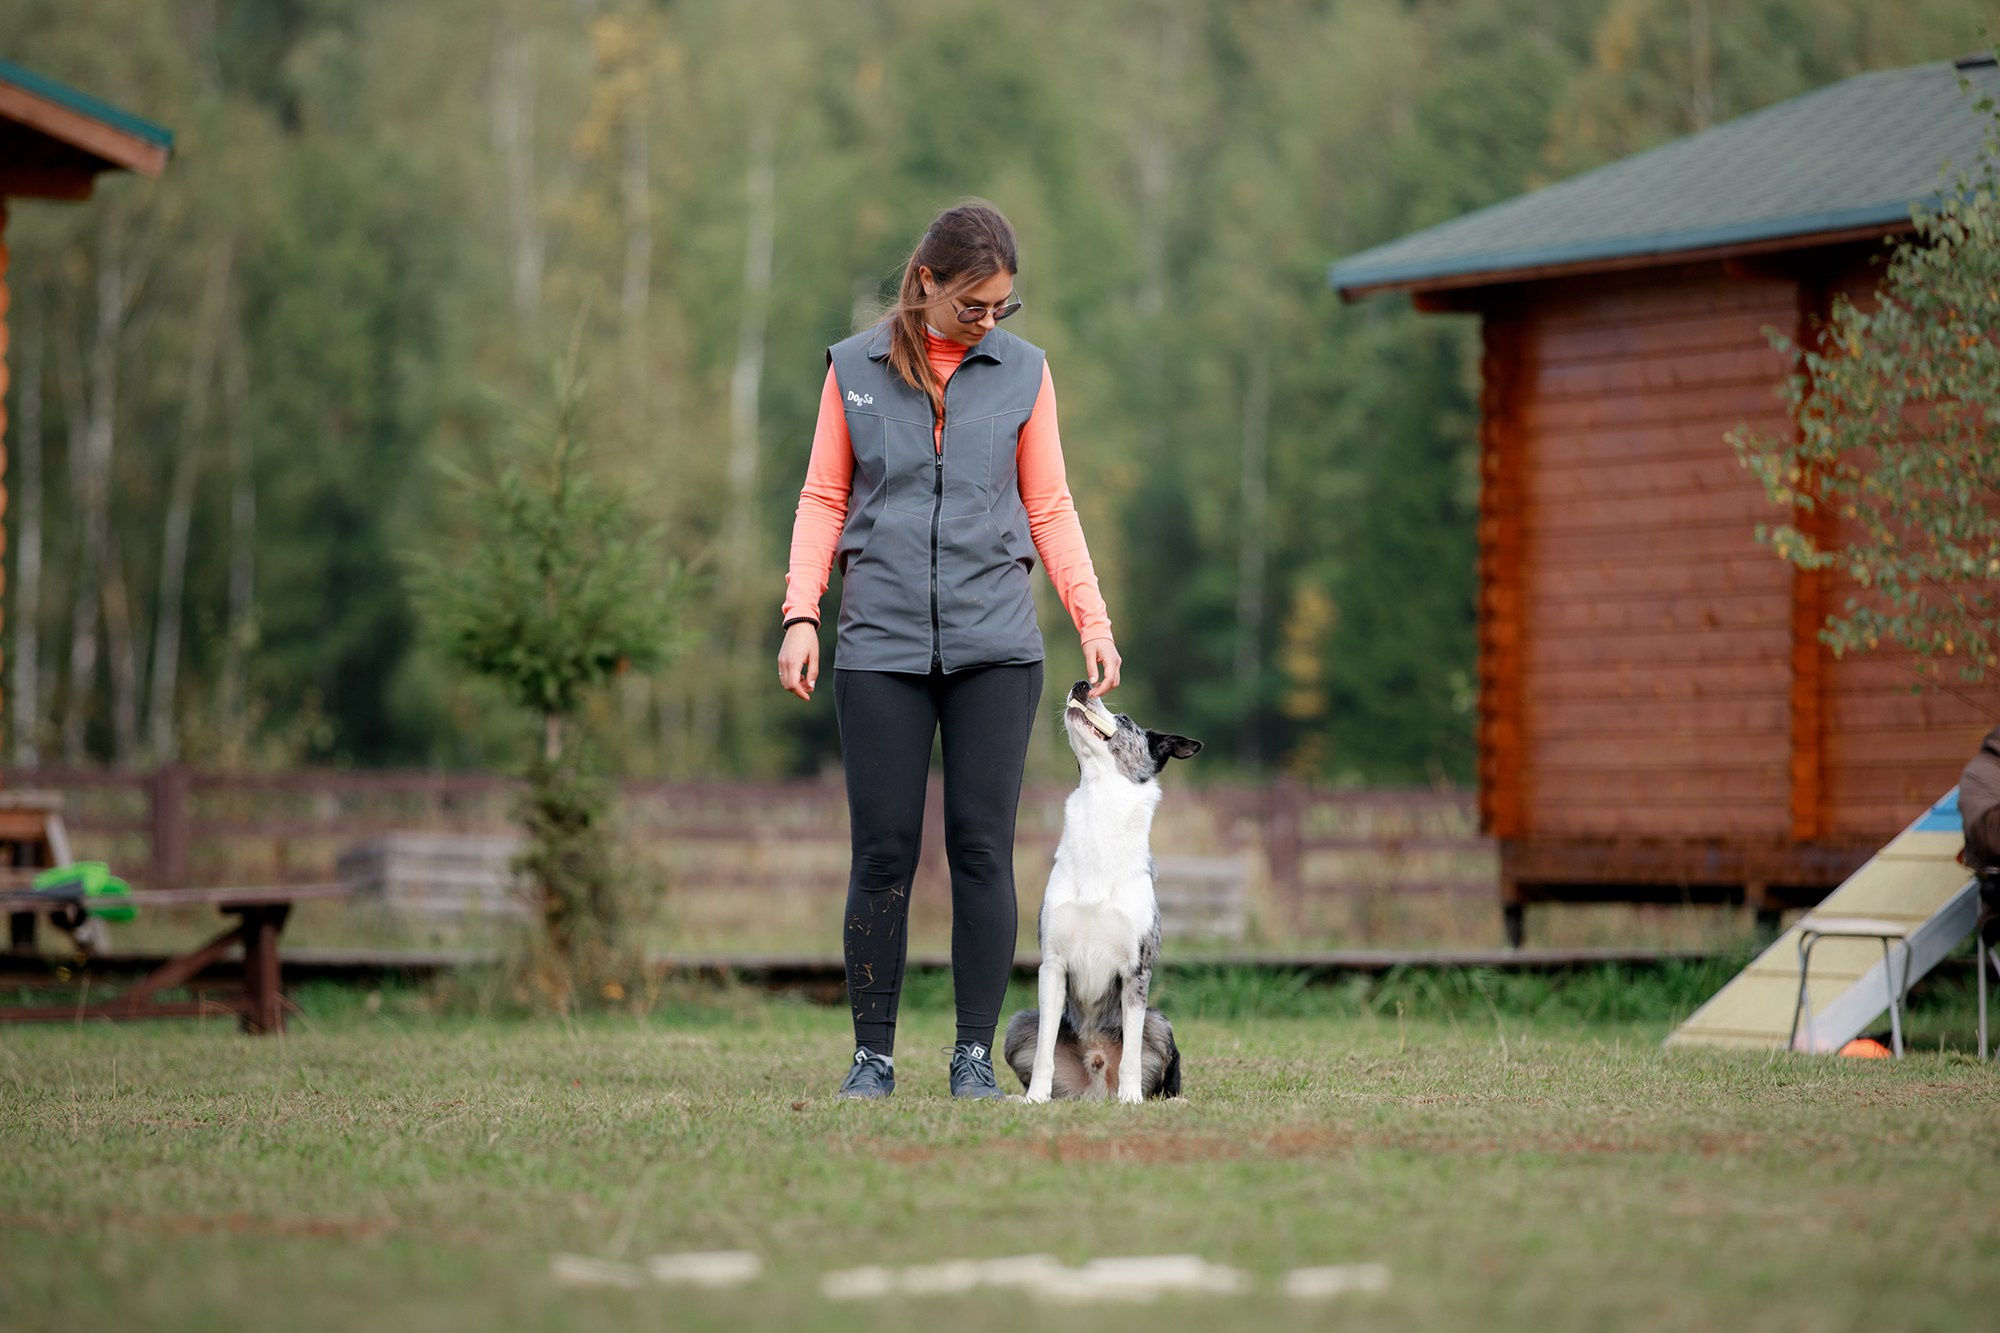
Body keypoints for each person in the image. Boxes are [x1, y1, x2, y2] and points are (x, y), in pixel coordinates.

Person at [777, 200, 1120, 1100]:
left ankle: (973, 1055)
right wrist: (802, 612)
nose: (988, 321)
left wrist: (1092, 619)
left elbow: (1050, 505)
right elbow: (823, 496)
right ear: (926, 282)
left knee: (981, 850)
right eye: (974, 305)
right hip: (879, 647)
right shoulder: (852, 369)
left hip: (995, 647)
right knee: (882, 853)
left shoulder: (1026, 373)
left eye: (1003, 306)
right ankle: (873, 1057)